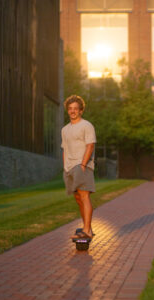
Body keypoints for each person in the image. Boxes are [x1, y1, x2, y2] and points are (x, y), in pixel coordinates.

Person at [61, 95, 96, 239]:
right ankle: (88, 228)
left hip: (82, 165)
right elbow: (64, 148)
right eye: (70, 109)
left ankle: (86, 230)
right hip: (69, 168)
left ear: (81, 110)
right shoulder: (65, 129)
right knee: (78, 198)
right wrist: (65, 167)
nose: (72, 111)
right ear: (67, 111)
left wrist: (83, 164)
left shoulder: (86, 125)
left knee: (84, 196)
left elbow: (90, 145)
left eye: (75, 108)